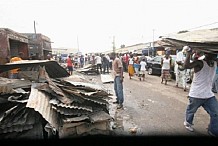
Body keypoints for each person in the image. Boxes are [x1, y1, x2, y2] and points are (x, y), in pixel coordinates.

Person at [183, 46, 218, 136]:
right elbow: (186, 66)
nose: (215, 56)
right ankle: (188, 122)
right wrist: (188, 54)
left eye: (215, 55)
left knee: (216, 113)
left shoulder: (214, 62)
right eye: (213, 54)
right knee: (191, 111)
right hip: (196, 94)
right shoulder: (199, 63)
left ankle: (213, 130)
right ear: (207, 54)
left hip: (208, 94)